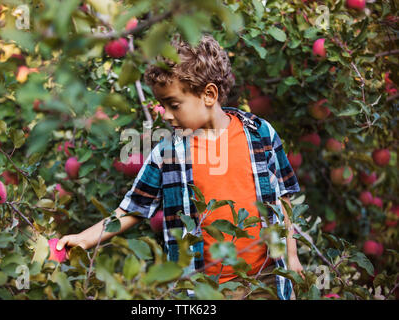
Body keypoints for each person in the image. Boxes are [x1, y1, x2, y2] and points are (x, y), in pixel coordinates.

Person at [56, 33, 305, 300]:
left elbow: (283, 197)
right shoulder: (168, 152)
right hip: (204, 287)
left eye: (173, 104)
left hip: (264, 279)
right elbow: (132, 210)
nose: (166, 114)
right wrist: (85, 238)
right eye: (162, 105)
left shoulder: (260, 133)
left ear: (209, 94)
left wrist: (292, 255)